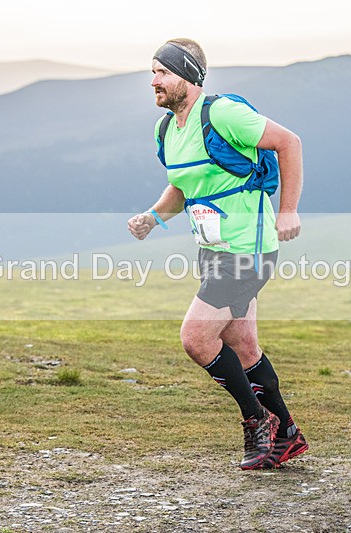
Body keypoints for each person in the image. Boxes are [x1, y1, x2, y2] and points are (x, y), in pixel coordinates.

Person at [127, 38, 306, 470]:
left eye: (162, 72)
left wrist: (287, 211)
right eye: (152, 72)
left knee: (196, 337)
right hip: (212, 250)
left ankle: (256, 420)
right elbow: (184, 185)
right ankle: (286, 435)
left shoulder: (223, 113)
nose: (154, 81)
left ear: (188, 76)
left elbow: (289, 142)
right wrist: (154, 216)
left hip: (249, 248)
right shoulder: (166, 129)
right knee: (243, 346)